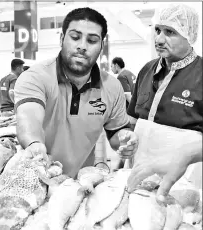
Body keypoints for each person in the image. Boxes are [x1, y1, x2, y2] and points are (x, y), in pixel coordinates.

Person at [14, 7, 138, 178]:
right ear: (62, 38)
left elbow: (116, 132)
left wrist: (126, 139)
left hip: (81, 182)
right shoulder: (36, 77)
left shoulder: (111, 86)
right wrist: (34, 142)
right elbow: (28, 116)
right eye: (75, 37)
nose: (82, 46)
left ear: (101, 45)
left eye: (92, 40)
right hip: (36, 176)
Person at [127, 4, 202, 202]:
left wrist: (187, 154)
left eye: (170, 32)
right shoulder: (146, 70)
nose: (159, 39)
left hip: (183, 184)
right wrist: (125, 141)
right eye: (158, 30)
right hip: (140, 178)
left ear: (189, 34)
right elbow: (132, 121)